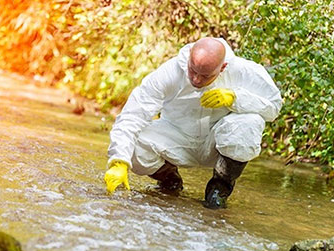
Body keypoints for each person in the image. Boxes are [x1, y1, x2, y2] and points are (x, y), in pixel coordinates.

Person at [103, 37, 282, 209]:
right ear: (188, 57)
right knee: (134, 145)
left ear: (223, 68)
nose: (196, 80)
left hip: (219, 142)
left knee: (250, 121)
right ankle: (170, 181)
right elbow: (133, 114)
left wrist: (235, 98)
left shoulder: (245, 71)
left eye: (204, 76)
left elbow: (273, 108)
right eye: (192, 71)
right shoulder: (170, 72)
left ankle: (219, 189)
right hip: (177, 138)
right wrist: (119, 161)